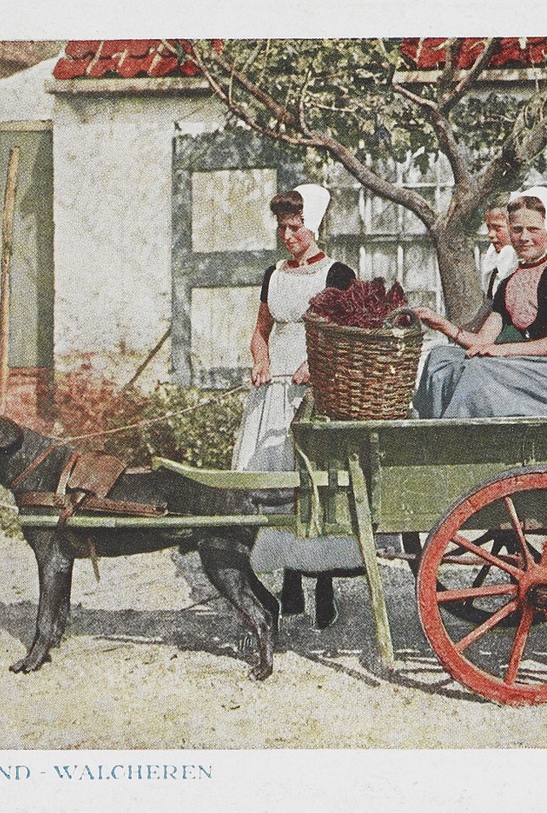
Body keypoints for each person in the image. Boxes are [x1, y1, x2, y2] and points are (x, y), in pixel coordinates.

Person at [232, 184, 361, 630]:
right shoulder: (274, 274)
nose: (288, 235)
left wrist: (315, 362)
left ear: (315, 225)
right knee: (274, 480)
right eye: (282, 227)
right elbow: (260, 329)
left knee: (313, 484)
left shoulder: (338, 274)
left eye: (296, 226)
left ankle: (322, 583)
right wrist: (261, 359)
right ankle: (288, 581)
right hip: (275, 390)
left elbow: (349, 332)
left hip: (318, 387)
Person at [412, 186, 547, 419]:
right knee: (440, 358)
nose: (524, 237)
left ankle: (456, 442)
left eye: (533, 229)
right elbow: (482, 341)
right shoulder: (509, 281)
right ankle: (433, 432)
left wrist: (499, 351)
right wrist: (442, 324)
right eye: (517, 229)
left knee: (477, 370)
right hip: (531, 363)